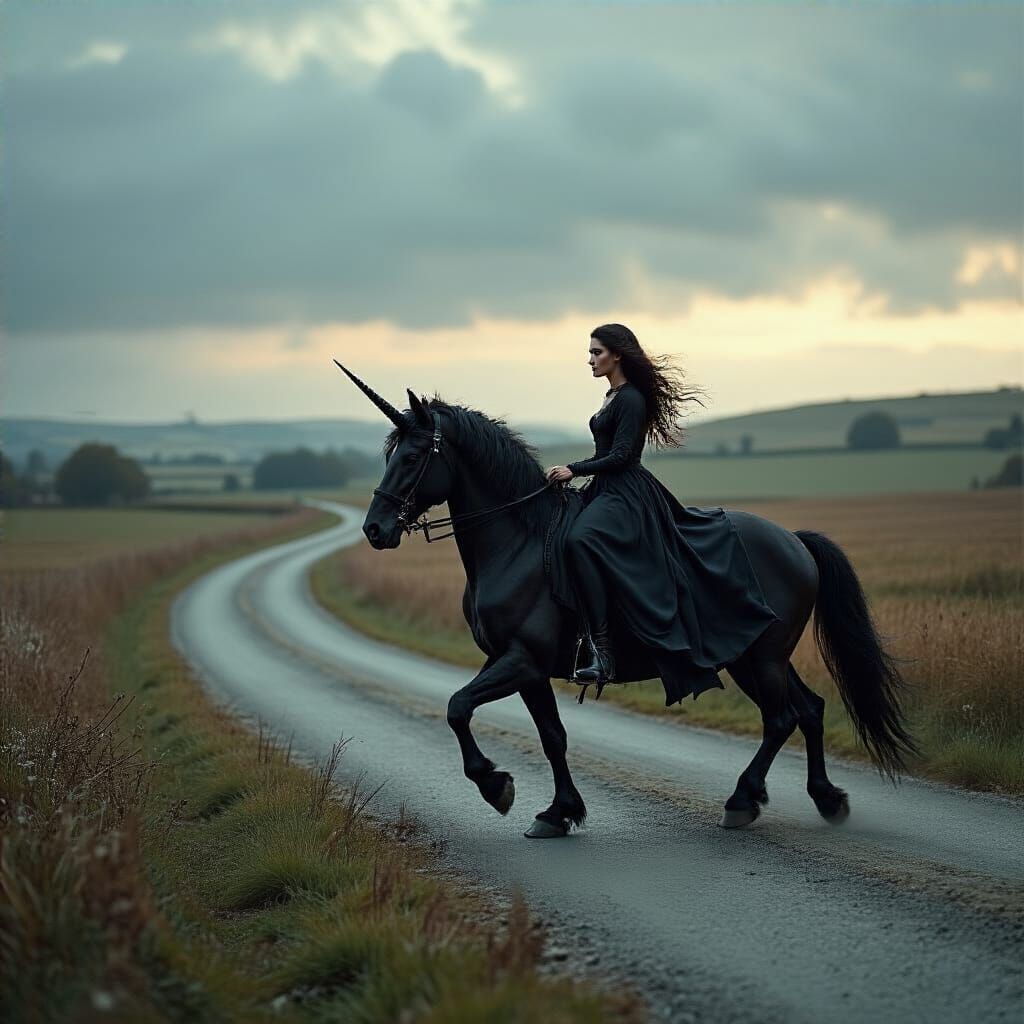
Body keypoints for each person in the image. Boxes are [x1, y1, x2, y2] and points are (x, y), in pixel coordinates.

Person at [545, 323, 780, 703]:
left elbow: (622, 456)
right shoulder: (611, 396)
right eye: (589, 353)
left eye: (596, 353)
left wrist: (575, 468)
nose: (589, 360)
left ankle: (602, 650)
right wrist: (568, 473)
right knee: (560, 532)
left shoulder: (631, 399)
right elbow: (605, 452)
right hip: (606, 489)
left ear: (617, 354)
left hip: (626, 494)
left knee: (580, 539)